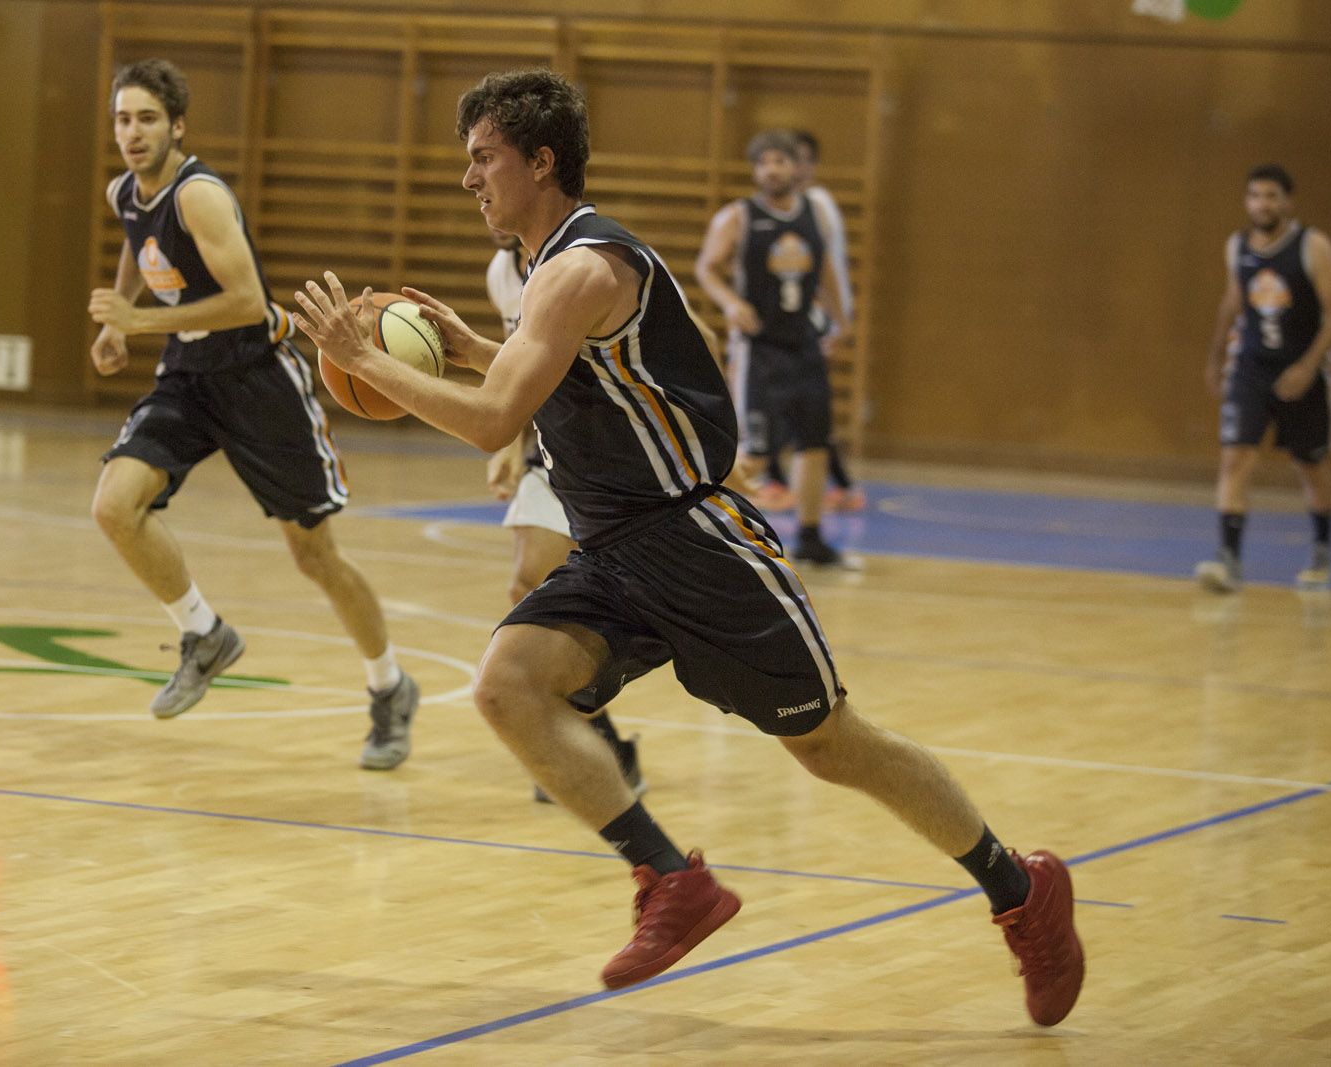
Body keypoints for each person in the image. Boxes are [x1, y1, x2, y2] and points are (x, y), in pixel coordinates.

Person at [294, 68, 1084, 1025]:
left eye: (483, 158)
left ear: (541, 162)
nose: (469, 179)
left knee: (833, 746)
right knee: (508, 684)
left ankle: (1019, 888)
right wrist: (465, 346)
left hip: (699, 542)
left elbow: (497, 419)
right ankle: (672, 878)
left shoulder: (584, 268)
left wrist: (369, 358)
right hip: (616, 549)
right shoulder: (552, 273)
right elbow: (535, 379)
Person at [86, 58, 418, 769]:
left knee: (315, 556)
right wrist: (119, 322)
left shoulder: (199, 195)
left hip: (257, 378)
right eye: (122, 119)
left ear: (178, 126)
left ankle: (390, 686)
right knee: (115, 505)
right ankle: (202, 633)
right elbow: (135, 243)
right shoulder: (127, 190)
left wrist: (136, 324)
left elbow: (247, 301)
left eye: (147, 118)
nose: (132, 132)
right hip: (188, 376)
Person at [484, 226, 645, 804]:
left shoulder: (590, 263)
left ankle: (595, 735)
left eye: (491, 164)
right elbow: (520, 369)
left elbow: (694, 336)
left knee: (576, 599)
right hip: (549, 448)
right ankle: (594, 737)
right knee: (528, 584)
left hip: (610, 455)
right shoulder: (504, 272)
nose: (479, 190)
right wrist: (507, 443)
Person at [695, 129, 856, 567]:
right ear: (756, 170)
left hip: (802, 342)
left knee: (814, 440)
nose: (772, 170)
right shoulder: (739, 216)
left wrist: (839, 323)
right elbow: (707, 267)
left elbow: (824, 273)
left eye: (780, 161)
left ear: (796, 166)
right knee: (754, 447)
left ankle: (810, 535)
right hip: (758, 346)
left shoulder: (814, 216)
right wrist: (731, 302)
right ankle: (723, 537)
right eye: (763, 163)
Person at [1196, 164, 1331, 593]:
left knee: (1310, 466)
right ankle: (1228, 561)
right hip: (1251, 369)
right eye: (1255, 196)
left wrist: (1307, 367)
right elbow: (1233, 300)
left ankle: (1320, 552)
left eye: (1272, 196)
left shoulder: (1311, 246)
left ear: (1287, 201)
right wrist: (1215, 354)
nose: (1263, 204)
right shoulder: (1237, 246)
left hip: (1302, 372)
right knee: (1235, 456)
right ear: (1247, 201)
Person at [790, 128, 866, 514]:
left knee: (807, 415)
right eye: (790, 159)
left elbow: (821, 271)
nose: (796, 168)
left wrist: (837, 323)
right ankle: (830, 486)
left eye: (803, 160)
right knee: (799, 414)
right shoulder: (796, 206)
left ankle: (841, 485)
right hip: (807, 322)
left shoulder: (814, 205)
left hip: (816, 322)